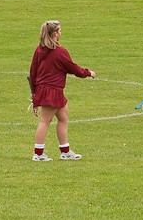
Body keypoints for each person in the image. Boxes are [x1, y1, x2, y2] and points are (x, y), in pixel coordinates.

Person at [28, 20, 96, 161]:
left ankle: (65, 151)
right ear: (54, 34)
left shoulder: (39, 50)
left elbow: (33, 72)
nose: (61, 33)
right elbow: (73, 68)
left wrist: (34, 92)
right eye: (59, 31)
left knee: (63, 118)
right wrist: (88, 73)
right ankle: (38, 154)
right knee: (45, 121)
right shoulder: (59, 52)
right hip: (51, 91)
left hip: (51, 90)